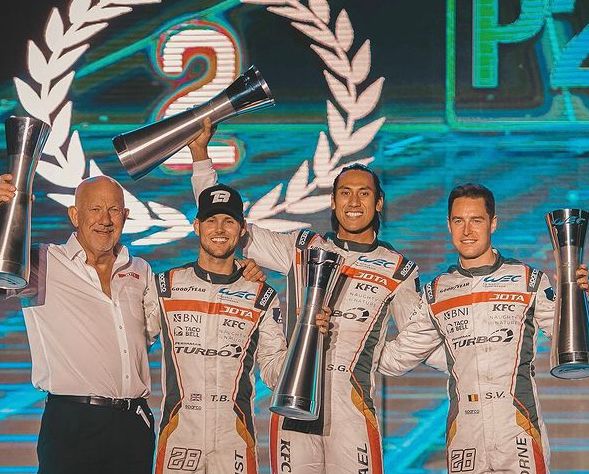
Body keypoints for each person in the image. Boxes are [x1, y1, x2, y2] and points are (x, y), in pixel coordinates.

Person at [188, 119, 443, 474]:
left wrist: (472, 363)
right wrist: (200, 156)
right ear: (334, 202)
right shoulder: (301, 249)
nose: (354, 201)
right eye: (345, 193)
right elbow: (223, 222)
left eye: (364, 193)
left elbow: (420, 342)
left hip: (351, 409)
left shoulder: (398, 269)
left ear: (379, 203)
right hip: (292, 404)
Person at [378, 183, 589, 474]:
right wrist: (341, 336)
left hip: (518, 429)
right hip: (465, 434)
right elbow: (395, 359)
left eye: (476, 220)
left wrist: (581, 299)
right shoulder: (436, 292)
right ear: (448, 225)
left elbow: (572, 340)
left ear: (493, 223)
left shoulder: (527, 280)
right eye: (458, 221)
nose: (467, 231)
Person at [153, 182, 330, 474]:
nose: (219, 229)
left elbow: (274, 372)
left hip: (234, 438)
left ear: (242, 228)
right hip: (179, 435)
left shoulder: (261, 295)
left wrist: (309, 337)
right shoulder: (165, 286)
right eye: (211, 220)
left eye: (229, 221)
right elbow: (131, 341)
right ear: (196, 226)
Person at [0, 174, 160, 474]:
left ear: (125, 215)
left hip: (133, 425)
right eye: (95, 209)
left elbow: (149, 334)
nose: (105, 220)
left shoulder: (140, 269)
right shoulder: (43, 261)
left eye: (114, 210)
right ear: (75, 215)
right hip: (72, 422)